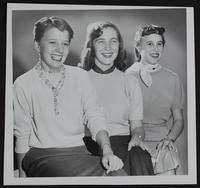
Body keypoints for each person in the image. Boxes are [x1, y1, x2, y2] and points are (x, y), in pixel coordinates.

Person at [13, 16, 126, 177]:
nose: (60, 49)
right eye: (52, 42)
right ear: (37, 45)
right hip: (42, 156)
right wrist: (22, 179)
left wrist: (107, 150)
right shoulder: (22, 84)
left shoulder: (80, 76)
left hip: (80, 153)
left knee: (118, 175)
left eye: (65, 43)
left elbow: (95, 116)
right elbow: (22, 136)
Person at [80, 21, 154, 176]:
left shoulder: (130, 82)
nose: (108, 48)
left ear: (119, 46)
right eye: (101, 41)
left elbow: (137, 127)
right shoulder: (79, 80)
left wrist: (136, 137)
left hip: (123, 142)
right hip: (89, 144)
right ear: (91, 46)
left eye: (113, 41)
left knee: (140, 156)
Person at [126, 24, 185, 175]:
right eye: (150, 44)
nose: (155, 49)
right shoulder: (127, 76)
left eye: (159, 44)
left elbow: (178, 120)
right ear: (139, 47)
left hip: (163, 145)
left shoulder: (173, 79)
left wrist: (169, 139)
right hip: (133, 143)